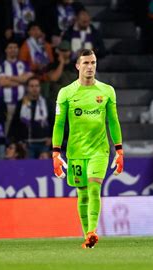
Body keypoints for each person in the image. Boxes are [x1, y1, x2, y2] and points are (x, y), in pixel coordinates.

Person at [52, 49, 123, 249]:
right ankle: (88, 238)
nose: (90, 67)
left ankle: (92, 230)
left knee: (94, 187)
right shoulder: (66, 92)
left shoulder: (107, 91)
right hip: (75, 152)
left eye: (93, 62)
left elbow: (113, 121)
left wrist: (119, 150)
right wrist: (56, 153)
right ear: (77, 66)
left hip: (100, 150)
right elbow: (59, 125)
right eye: (86, 63)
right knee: (82, 194)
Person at [0, 39, 33, 134]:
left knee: (22, 128)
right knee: (6, 128)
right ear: (6, 50)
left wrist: (9, 77)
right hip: (6, 103)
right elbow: (2, 82)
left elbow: (27, 79)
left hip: (23, 103)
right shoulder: (0, 65)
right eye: (10, 47)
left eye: (15, 47)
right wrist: (21, 80)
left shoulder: (24, 64)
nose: (13, 50)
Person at [9, 77, 52, 158]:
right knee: (29, 169)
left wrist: (51, 137)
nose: (34, 88)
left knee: (43, 169)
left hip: (44, 144)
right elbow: (15, 123)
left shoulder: (47, 103)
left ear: (40, 88)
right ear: (27, 88)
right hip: (27, 144)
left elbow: (53, 121)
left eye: (36, 86)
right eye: (31, 86)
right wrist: (19, 141)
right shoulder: (21, 103)